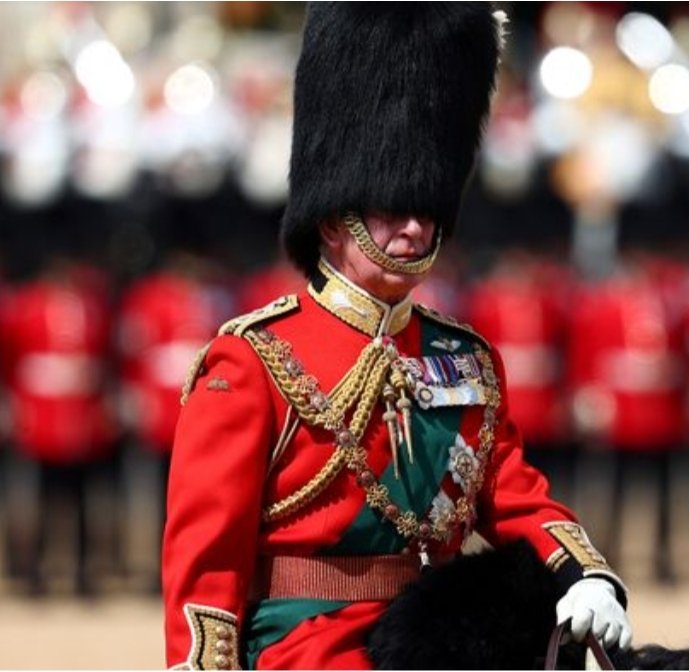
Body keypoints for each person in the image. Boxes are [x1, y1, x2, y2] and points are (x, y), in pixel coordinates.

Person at [163, 4, 632, 669]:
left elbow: (513, 492)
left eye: (426, 209)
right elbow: (206, 556)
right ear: (333, 221)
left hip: (435, 639)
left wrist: (584, 573)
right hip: (304, 645)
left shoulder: (459, 355)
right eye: (390, 209)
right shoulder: (252, 357)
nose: (413, 229)